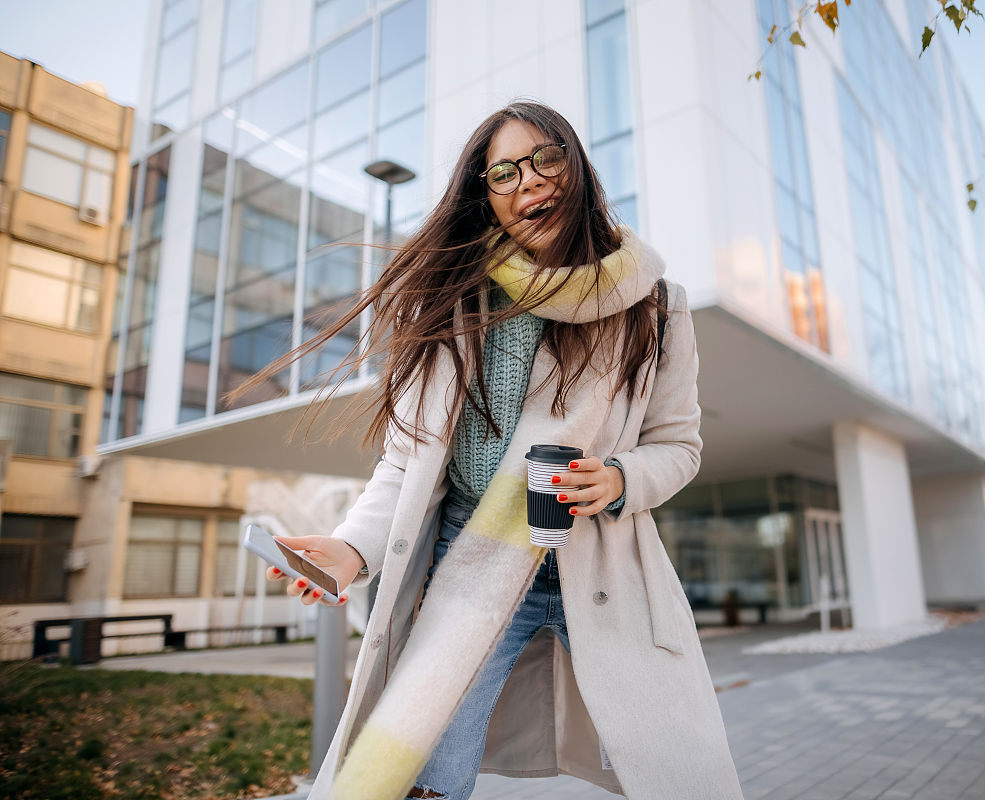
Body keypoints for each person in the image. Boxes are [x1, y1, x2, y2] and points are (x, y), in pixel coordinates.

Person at [230, 101, 743, 799]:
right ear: (489, 199)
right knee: (415, 776)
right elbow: (408, 461)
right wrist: (352, 548)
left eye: (545, 159)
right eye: (503, 173)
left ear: (577, 167)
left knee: (682, 774)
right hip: (470, 570)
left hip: (606, 573)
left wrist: (620, 480)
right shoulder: (450, 302)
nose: (528, 181)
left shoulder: (654, 306)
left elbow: (678, 445)